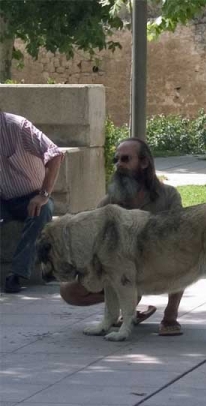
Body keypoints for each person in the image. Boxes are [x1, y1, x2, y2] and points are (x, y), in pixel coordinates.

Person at [59, 137, 186, 336]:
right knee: (69, 291)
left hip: (156, 265)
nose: (119, 165)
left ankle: (170, 315)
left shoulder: (169, 196)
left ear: (144, 163)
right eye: (116, 160)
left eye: (125, 159)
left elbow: (179, 236)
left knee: (181, 255)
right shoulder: (109, 202)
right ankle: (127, 303)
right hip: (120, 270)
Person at [1, 111, 64, 294]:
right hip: (3, 199)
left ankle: (16, 274)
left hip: (33, 196)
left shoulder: (18, 126)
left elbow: (55, 154)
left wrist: (44, 194)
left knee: (40, 213)